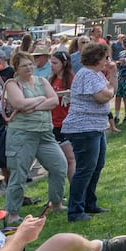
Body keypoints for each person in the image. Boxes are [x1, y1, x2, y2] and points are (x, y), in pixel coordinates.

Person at [2, 50, 67, 225]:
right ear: (16, 67)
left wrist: (34, 106)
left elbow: (54, 101)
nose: (29, 68)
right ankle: (13, 213)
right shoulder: (12, 84)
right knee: (19, 173)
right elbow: (19, 104)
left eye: (30, 64)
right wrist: (40, 99)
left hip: (45, 133)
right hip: (22, 134)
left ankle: (56, 203)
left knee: (60, 166)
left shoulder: (42, 80)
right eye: (24, 65)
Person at [61, 42, 116, 223]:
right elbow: (102, 97)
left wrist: (111, 83)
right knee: (85, 169)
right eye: (105, 57)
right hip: (84, 127)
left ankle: (89, 203)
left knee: (97, 165)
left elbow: (109, 92)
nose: (107, 61)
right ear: (97, 58)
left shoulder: (97, 74)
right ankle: (75, 211)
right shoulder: (88, 74)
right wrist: (110, 88)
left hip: (96, 126)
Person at [48, 51, 77, 182]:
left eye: (55, 63)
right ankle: (56, 195)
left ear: (64, 63)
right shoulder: (51, 79)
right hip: (52, 123)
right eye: (51, 62)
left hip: (65, 123)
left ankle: (75, 192)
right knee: (56, 162)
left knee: (70, 158)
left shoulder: (71, 79)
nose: (52, 65)